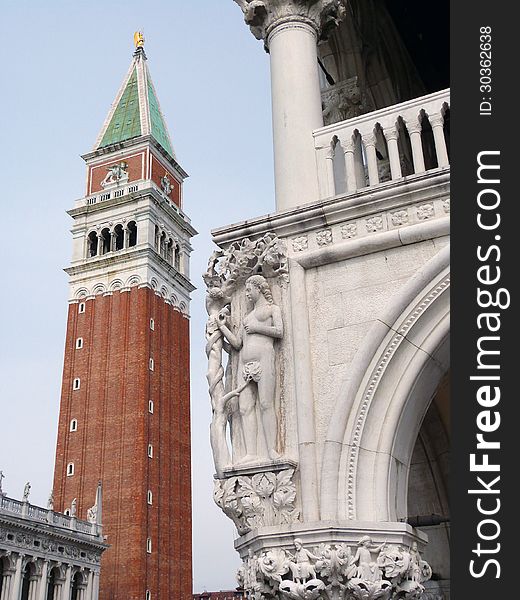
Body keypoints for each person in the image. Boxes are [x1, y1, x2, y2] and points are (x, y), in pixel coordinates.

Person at [217, 274, 283, 463]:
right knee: (245, 407)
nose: (246, 293)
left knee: (265, 404)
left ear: (259, 289)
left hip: (265, 358)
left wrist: (257, 329)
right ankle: (251, 453)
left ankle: (271, 450)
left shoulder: (272, 310)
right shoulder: (247, 318)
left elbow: (279, 331)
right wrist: (223, 328)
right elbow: (237, 344)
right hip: (245, 366)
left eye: (248, 289)